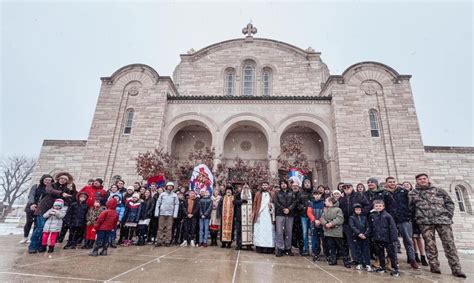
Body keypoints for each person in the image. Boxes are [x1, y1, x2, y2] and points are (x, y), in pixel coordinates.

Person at [409, 173, 466, 278]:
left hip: (443, 221)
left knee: (449, 244)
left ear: (427, 179)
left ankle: (456, 268)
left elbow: (449, 203)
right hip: (425, 222)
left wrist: (448, 215)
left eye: (424, 179)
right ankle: (434, 266)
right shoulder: (413, 194)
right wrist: (417, 219)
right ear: (416, 181)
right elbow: (411, 208)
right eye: (420, 179)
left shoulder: (439, 190)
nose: (422, 180)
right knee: (430, 245)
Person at [28, 173, 72, 253]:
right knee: (40, 228)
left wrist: (69, 199)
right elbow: (50, 190)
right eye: (62, 178)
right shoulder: (51, 185)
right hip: (43, 209)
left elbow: (66, 201)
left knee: (46, 230)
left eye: (65, 179)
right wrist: (61, 194)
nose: (63, 180)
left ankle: (41, 246)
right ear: (58, 178)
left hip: (53, 212)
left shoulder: (66, 190)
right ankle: (33, 247)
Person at [386, 176, 420, 269]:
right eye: (390, 182)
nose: (392, 183)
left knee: (408, 240)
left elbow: (412, 203)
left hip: (404, 219)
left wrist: (408, 214)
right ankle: (394, 260)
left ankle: (412, 259)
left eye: (393, 181)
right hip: (391, 220)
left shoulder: (403, 192)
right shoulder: (385, 193)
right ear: (386, 183)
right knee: (393, 241)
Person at [339, 183, 370, 264]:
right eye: (344, 188)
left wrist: (360, 213)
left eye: (348, 187)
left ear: (352, 187)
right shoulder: (342, 198)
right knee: (349, 241)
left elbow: (367, 205)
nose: (346, 189)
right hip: (346, 222)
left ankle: (362, 259)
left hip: (357, 222)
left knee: (359, 241)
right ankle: (354, 258)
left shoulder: (358, 196)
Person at [369, 200, 399, 276]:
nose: (378, 207)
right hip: (378, 238)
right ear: (373, 207)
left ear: (383, 207)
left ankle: (395, 269)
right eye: (376, 206)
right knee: (380, 254)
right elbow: (371, 227)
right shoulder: (372, 216)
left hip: (388, 239)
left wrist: (394, 239)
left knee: (391, 254)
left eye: (380, 206)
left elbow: (393, 228)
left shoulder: (387, 216)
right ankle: (382, 267)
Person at [22, 174, 53, 244]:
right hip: (31, 207)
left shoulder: (50, 189)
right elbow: (31, 195)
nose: (47, 181)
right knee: (29, 222)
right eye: (46, 180)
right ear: (43, 180)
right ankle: (25, 237)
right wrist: (32, 203)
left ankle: (32, 237)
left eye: (49, 180)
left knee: (37, 224)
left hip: (41, 209)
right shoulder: (36, 186)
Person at [403, 180, 428, 266]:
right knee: (411, 238)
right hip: (408, 218)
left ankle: (423, 256)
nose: (406, 186)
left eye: (407, 184)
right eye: (404, 185)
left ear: (410, 186)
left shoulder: (415, 193)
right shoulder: (402, 195)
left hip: (416, 217)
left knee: (418, 238)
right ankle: (414, 255)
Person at [320, 196, 350, 268]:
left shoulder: (338, 210)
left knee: (341, 247)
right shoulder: (325, 210)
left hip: (336, 232)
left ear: (330, 202)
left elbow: (339, 219)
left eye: (326, 201)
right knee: (331, 247)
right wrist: (325, 223)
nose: (325, 202)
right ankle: (333, 260)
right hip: (328, 232)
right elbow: (322, 218)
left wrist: (331, 223)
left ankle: (346, 261)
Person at [252, 181, 275, 254]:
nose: (264, 186)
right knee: (259, 231)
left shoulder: (272, 194)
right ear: (261, 186)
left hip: (269, 215)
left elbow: (275, 203)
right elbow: (255, 204)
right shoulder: (258, 194)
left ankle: (269, 247)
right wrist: (254, 212)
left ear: (268, 186)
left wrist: (272, 205)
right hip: (260, 215)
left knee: (269, 231)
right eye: (263, 185)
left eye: (266, 185)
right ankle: (259, 246)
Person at [275, 179, 296, 257]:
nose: (283, 185)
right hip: (280, 214)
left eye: (284, 183)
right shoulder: (277, 193)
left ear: (287, 184)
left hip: (289, 214)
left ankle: (288, 248)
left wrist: (289, 209)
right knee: (279, 232)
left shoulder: (291, 193)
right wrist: (283, 209)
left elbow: (294, 202)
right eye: (282, 184)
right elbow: (276, 202)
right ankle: (280, 248)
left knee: (289, 232)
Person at [154, 182, 179, 247]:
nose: (170, 187)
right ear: (166, 187)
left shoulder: (174, 195)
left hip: (170, 214)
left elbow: (176, 204)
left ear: (173, 187)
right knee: (160, 228)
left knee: (169, 228)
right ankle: (159, 240)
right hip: (162, 213)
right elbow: (158, 203)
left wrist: (175, 214)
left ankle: (167, 241)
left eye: (171, 186)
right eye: (169, 186)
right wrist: (157, 212)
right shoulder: (162, 194)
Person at [349, 203, 372, 272]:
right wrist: (359, 233)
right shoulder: (352, 217)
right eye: (356, 210)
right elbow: (352, 226)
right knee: (358, 250)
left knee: (366, 250)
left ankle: (367, 263)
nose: (358, 211)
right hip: (356, 236)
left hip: (365, 236)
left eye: (359, 209)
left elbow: (368, 226)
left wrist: (365, 234)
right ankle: (360, 263)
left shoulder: (364, 217)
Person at [307, 190, 325, 262]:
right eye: (315, 194)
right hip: (314, 224)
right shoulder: (311, 203)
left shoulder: (323, 203)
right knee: (315, 240)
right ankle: (316, 253)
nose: (317, 196)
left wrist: (321, 220)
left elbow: (325, 212)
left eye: (319, 194)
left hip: (322, 224)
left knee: (324, 240)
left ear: (321, 195)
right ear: (313, 195)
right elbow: (309, 213)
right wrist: (314, 220)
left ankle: (326, 253)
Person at [297, 177, 313, 256]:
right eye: (305, 183)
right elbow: (298, 203)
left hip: (313, 216)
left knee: (313, 233)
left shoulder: (313, 192)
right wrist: (303, 207)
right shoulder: (300, 193)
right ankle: (306, 249)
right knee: (305, 233)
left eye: (308, 182)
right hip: (303, 215)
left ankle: (314, 250)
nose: (307, 184)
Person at [239, 183, 253, 250]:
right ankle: (240, 244)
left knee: (250, 230)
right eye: (244, 188)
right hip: (240, 216)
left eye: (247, 188)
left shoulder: (252, 194)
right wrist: (241, 201)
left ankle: (249, 245)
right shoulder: (238, 194)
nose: (246, 189)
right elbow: (234, 202)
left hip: (250, 215)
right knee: (241, 231)